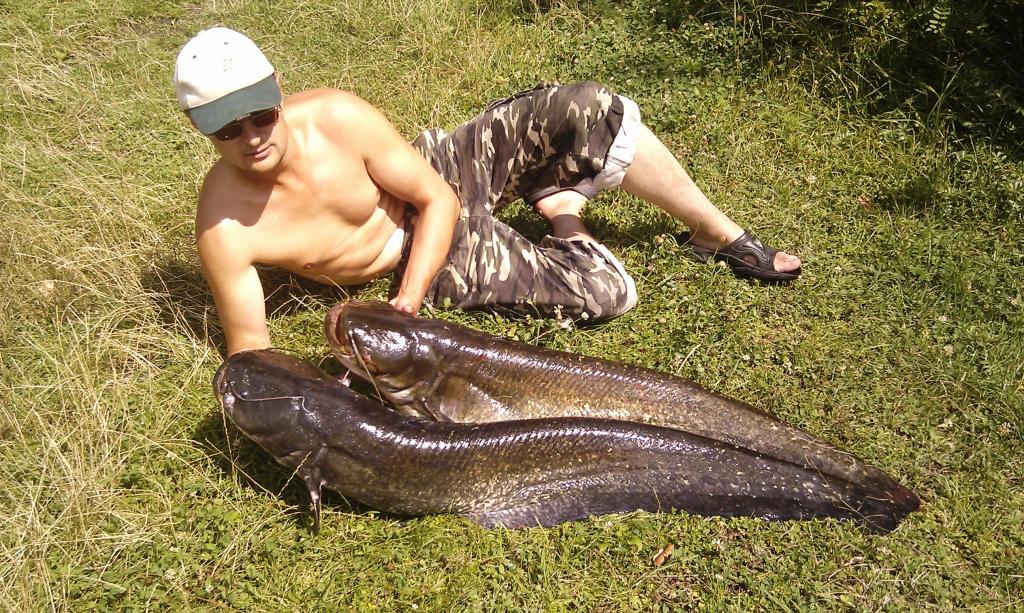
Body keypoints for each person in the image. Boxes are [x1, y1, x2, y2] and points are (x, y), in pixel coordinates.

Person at [174, 27, 801, 356]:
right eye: (228, 129)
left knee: (588, 106)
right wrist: (404, 298)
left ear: (278, 92)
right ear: (200, 129)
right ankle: (564, 214)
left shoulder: (335, 115)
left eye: (262, 115)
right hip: (414, 256)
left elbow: (437, 197)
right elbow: (250, 351)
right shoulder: (225, 229)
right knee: (607, 294)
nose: (252, 137)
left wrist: (405, 308)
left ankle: (716, 232)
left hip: (434, 176)